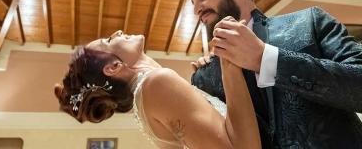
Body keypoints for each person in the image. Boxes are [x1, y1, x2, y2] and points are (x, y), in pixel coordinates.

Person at [182, 0, 362, 149]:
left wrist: (266, 59)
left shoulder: (309, 22)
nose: (196, 10)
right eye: (193, 3)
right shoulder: (203, 76)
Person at [55, 29, 261, 149]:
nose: (117, 32)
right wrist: (230, 64)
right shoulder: (157, 83)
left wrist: (209, 83)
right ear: (113, 67)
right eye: (109, 41)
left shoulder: (149, 94)